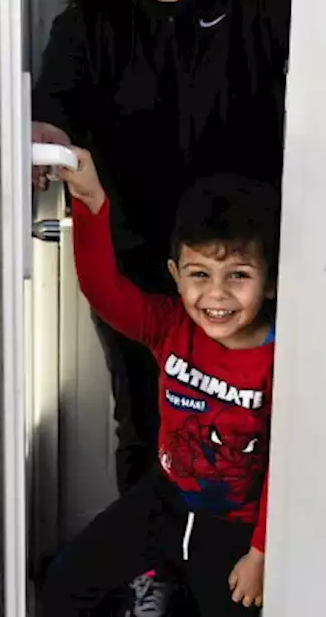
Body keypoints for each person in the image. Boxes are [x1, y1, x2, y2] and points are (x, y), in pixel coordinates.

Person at [30, 0, 291, 604]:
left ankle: (246, 563)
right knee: (145, 419)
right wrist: (45, 139)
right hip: (145, 273)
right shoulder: (86, 26)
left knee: (267, 420)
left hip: (251, 276)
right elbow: (51, 110)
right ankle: (155, 571)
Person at [39, 150, 280, 617]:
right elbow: (103, 290)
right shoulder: (169, 326)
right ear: (175, 276)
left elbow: (287, 467)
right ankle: (159, 576)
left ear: (269, 283)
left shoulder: (282, 359)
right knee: (65, 585)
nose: (216, 294)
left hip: (236, 529)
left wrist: (262, 553)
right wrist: (90, 202)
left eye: (239, 276)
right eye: (199, 275)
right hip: (162, 502)